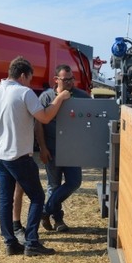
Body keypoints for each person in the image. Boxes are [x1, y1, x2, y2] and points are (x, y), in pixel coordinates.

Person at [0, 56, 70, 256]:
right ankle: (32, 242)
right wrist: (59, 98)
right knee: (37, 197)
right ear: (23, 75)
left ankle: (10, 242)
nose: (30, 82)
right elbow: (45, 117)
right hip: (19, 155)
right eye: (30, 78)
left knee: (5, 199)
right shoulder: (24, 93)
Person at [36, 64, 91, 232]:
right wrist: (42, 148)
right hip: (52, 149)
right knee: (53, 184)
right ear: (56, 80)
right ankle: (58, 220)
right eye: (65, 79)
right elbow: (38, 125)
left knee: (74, 182)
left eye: (71, 79)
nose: (69, 82)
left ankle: (45, 211)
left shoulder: (83, 97)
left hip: (73, 149)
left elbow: (92, 120)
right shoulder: (46, 97)